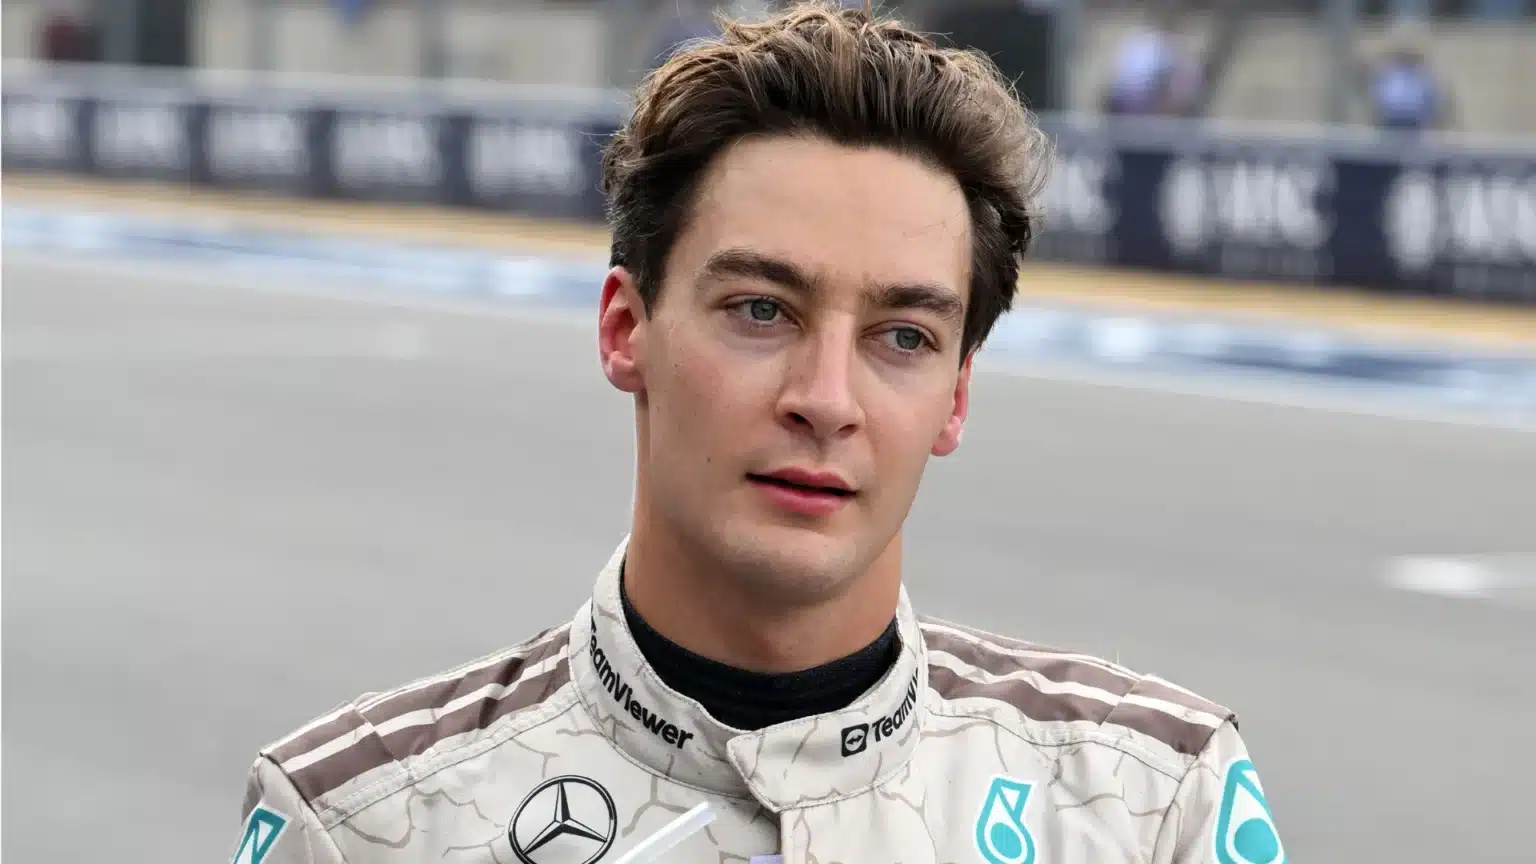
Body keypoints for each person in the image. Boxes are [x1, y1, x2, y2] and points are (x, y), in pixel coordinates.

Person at [229, 3, 1286, 862]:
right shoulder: (360, 823)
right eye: (762, 311)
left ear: (958, 396)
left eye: (904, 337)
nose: (826, 398)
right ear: (625, 330)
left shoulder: (1151, 803)